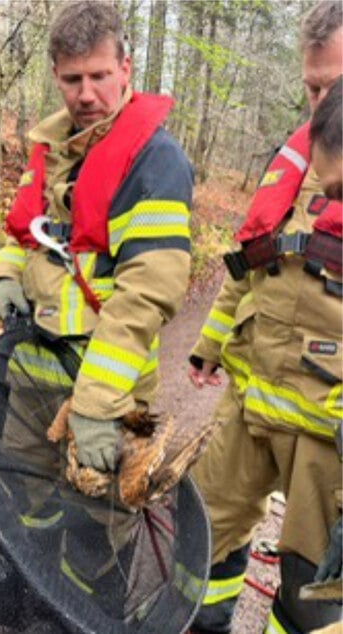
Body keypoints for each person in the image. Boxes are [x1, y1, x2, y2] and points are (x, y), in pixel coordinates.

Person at [0, 0, 193, 477]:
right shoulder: (51, 148)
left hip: (109, 390)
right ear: (56, 74)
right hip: (33, 380)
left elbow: (148, 292)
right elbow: (24, 232)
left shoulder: (155, 163)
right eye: (73, 79)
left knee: (99, 530)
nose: (85, 95)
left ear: (125, 68)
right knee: (26, 512)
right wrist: (4, 275)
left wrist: (97, 404)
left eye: (99, 76)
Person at [186, 3, 343, 632]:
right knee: (200, 528)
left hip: (324, 433)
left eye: (333, 85)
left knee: (313, 590)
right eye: (311, 87)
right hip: (248, 403)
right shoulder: (292, 160)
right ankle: (201, 621)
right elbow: (249, 261)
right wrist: (208, 343)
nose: (320, 103)